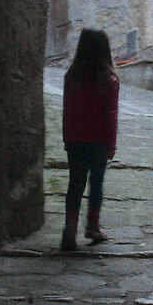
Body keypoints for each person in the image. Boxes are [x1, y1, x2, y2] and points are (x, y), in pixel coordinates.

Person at [60, 28, 119, 251]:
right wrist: (111, 144)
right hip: (99, 142)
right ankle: (92, 226)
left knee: (75, 185)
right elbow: (110, 115)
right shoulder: (109, 80)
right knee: (96, 183)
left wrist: (67, 137)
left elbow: (68, 110)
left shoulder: (71, 77)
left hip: (76, 140)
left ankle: (69, 231)